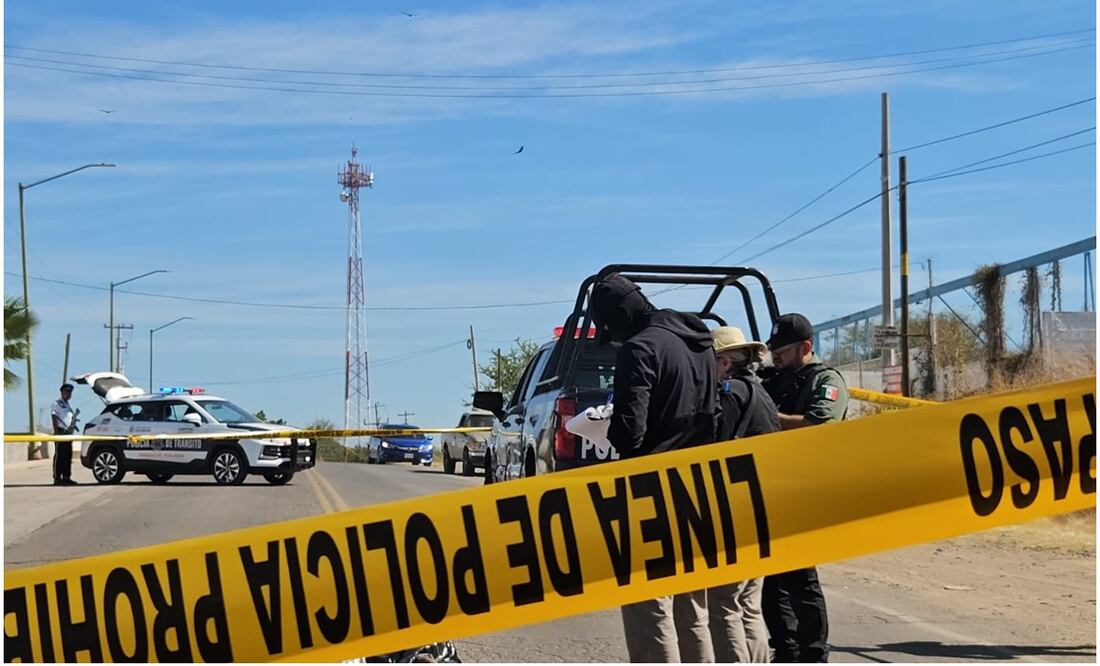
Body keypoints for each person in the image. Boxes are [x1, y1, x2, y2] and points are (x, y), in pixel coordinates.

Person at [588, 273, 717, 663]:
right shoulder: (700, 343)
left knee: (649, 607)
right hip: (698, 489)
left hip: (652, 495)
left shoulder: (640, 349)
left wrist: (606, 425)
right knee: (693, 609)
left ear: (619, 316)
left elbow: (630, 433)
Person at [760, 313, 848, 663]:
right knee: (770, 583)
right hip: (770, 489)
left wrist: (765, 415)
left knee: (800, 579)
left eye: (782, 350)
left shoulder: (825, 380)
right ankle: (786, 650)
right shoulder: (772, 379)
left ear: (806, 347)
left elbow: (818, 424)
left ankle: (813, 654)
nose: (775, 356)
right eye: (773, 349)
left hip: (803, 492)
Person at [706, 326, 779, 663]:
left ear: (723, 361)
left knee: (724, 606)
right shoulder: (760, 393)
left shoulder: (730, 396)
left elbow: (711, 447)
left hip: (738, 511)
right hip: (764, 509)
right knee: (749, 605)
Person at [51, 383, 79, 486]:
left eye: (70, 392)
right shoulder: (57, 403)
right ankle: (57, 477)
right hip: (60, 431)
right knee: (60, 455)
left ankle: (66, 477)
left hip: (68, 432)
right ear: (62, 392)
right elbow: (54, 416)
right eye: (66, 392)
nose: (68, 394)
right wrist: (56, 432)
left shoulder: (67, 405)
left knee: (67, 455)